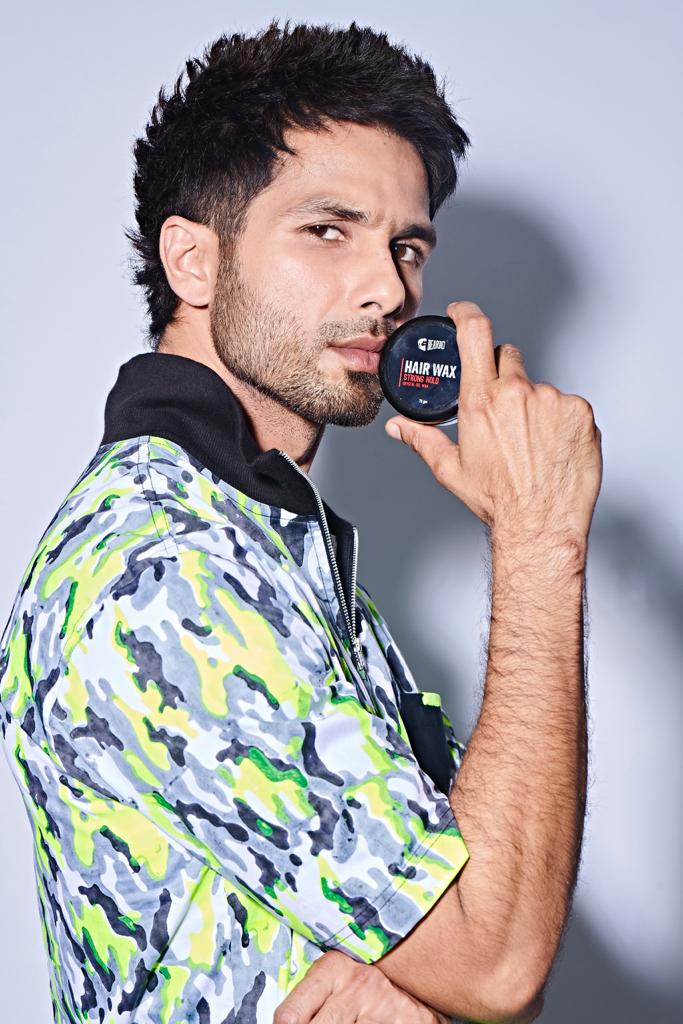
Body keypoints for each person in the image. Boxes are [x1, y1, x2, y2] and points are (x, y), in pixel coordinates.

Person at [0, 19, 602, 1024]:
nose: (389, 289)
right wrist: (540, 542)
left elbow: (477, 939)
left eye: (405, 245)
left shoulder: (265, 545)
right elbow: (496, 958)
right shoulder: (166, 567)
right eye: (328, 229)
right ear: (192, 263)